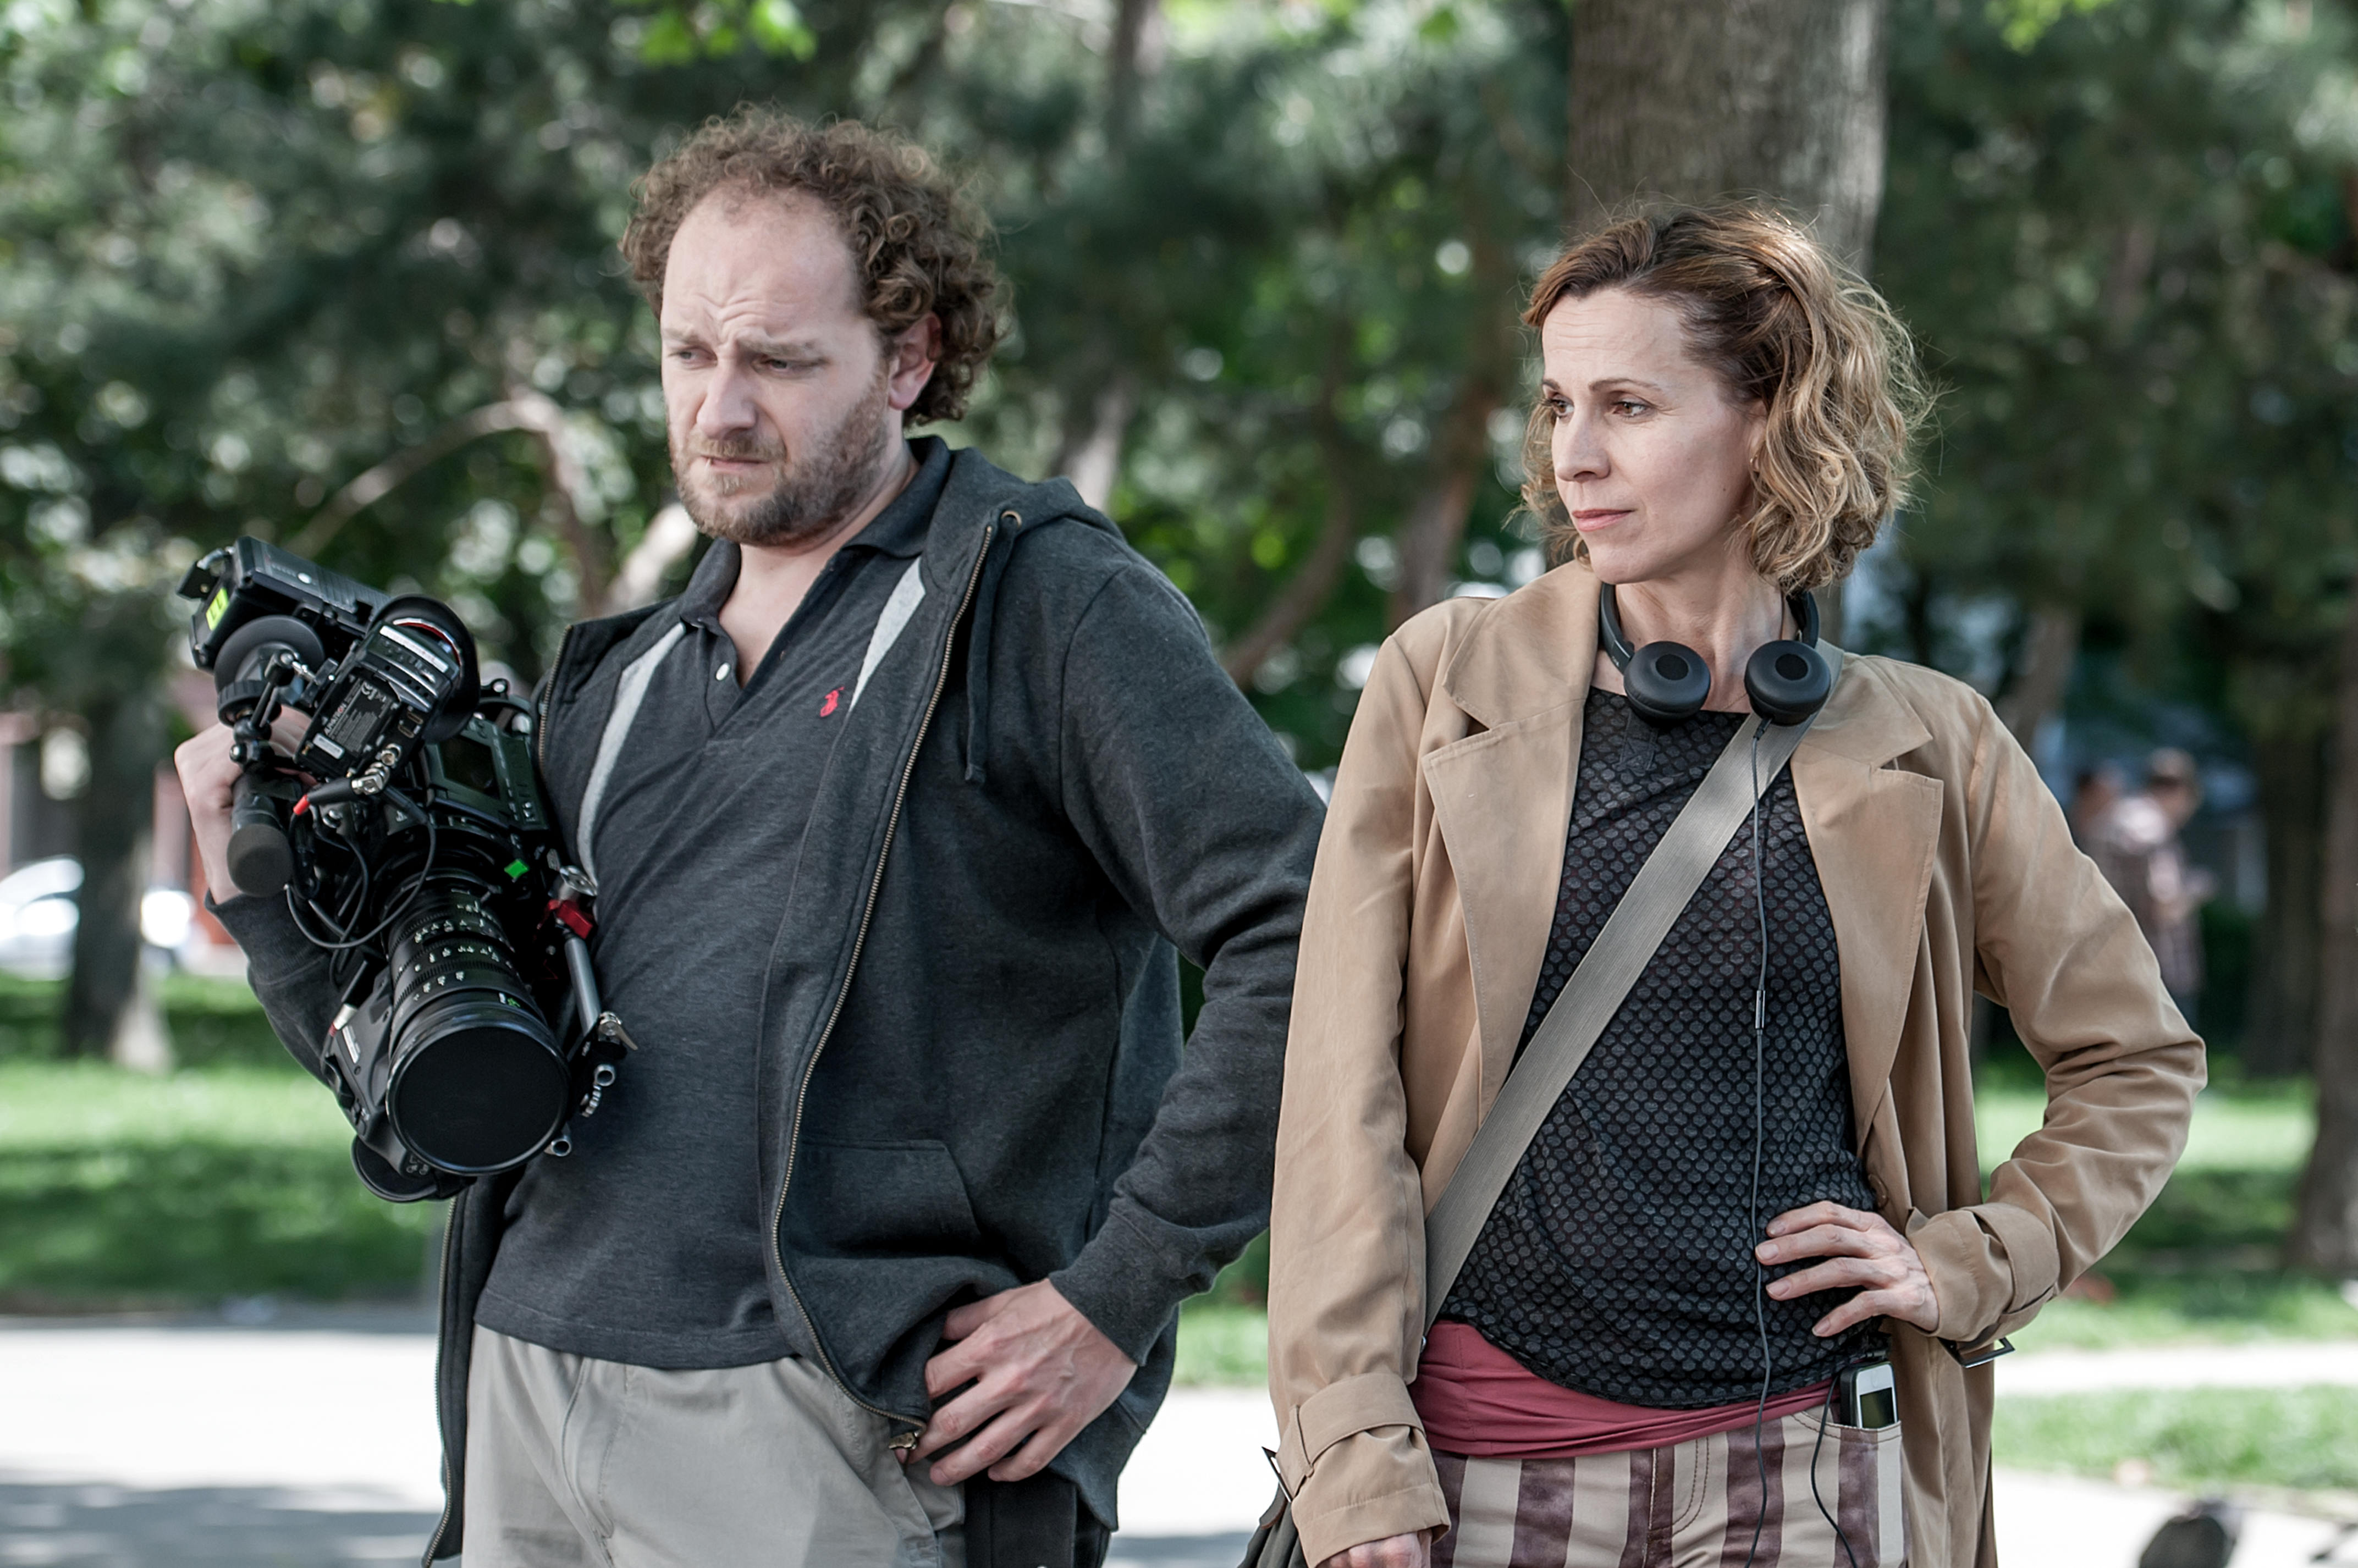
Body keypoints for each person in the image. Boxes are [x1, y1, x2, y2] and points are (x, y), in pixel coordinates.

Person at [177, 110, 1323, 1568]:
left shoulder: (1044, 607)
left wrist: (1119, 1291)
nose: (718, 408)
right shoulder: (620, 675)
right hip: (527, 1394)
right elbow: (434, 1085)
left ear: (907, 357)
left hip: (832, 1427)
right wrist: (263, 896)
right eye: (687, 353)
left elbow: (1311, 930)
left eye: (777, 360)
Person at [1263, 208, 2203, 1568]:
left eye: (1628, 405)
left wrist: (1969, 1257)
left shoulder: (1932, 740)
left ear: (1772, 418)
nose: (1573, 454)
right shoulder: (1445, 683)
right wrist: (1351, 1455)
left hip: (1813, 1472)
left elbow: (2135, 1056)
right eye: (1560, 405)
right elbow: (1336, 1093)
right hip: (1489, 1468)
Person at [2089, 749, 2215, 1019]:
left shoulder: (2110, 819)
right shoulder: (2156, 830)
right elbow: (2165, 906)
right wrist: (2197, 890)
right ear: (2181, 793)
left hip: (2113, 966)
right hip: (2160, 974)